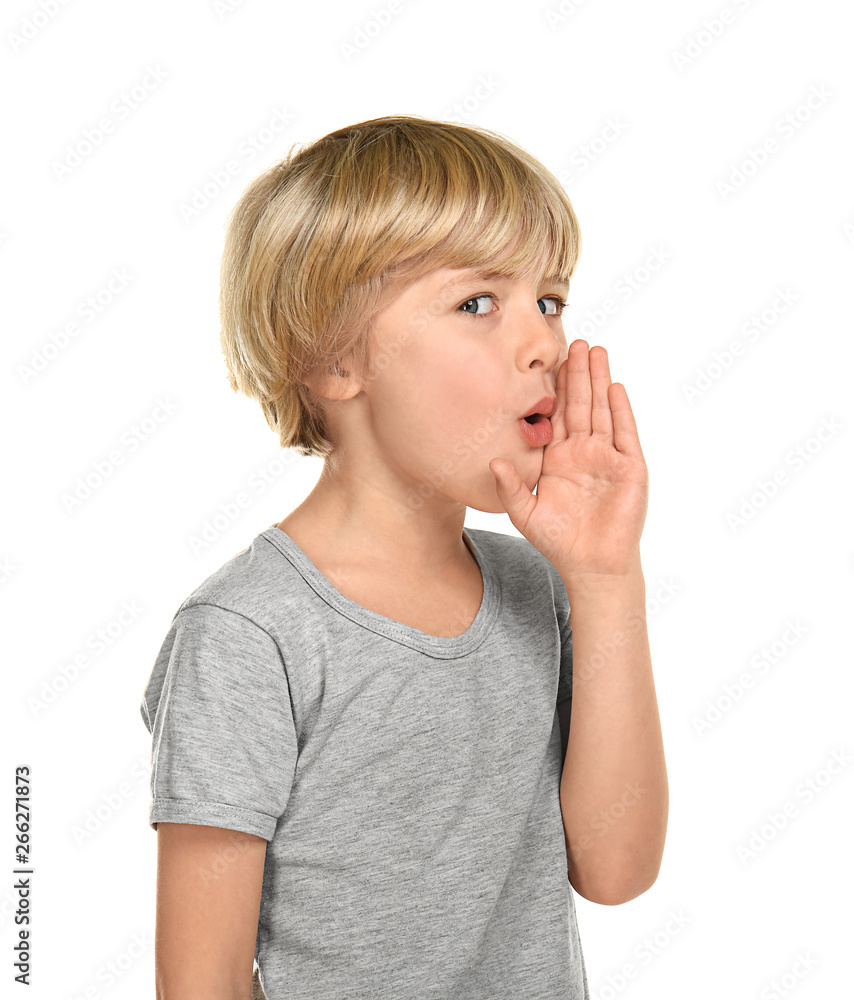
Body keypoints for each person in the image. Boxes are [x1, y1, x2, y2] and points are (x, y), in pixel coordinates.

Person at [140, 114, 668, 1000]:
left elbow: (617, 869)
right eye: (477, 304)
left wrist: (608, 577)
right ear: (334, 359)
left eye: (550, 299)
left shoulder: (536, 586)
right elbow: (202, 984)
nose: (545, 343)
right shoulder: (247, 634)